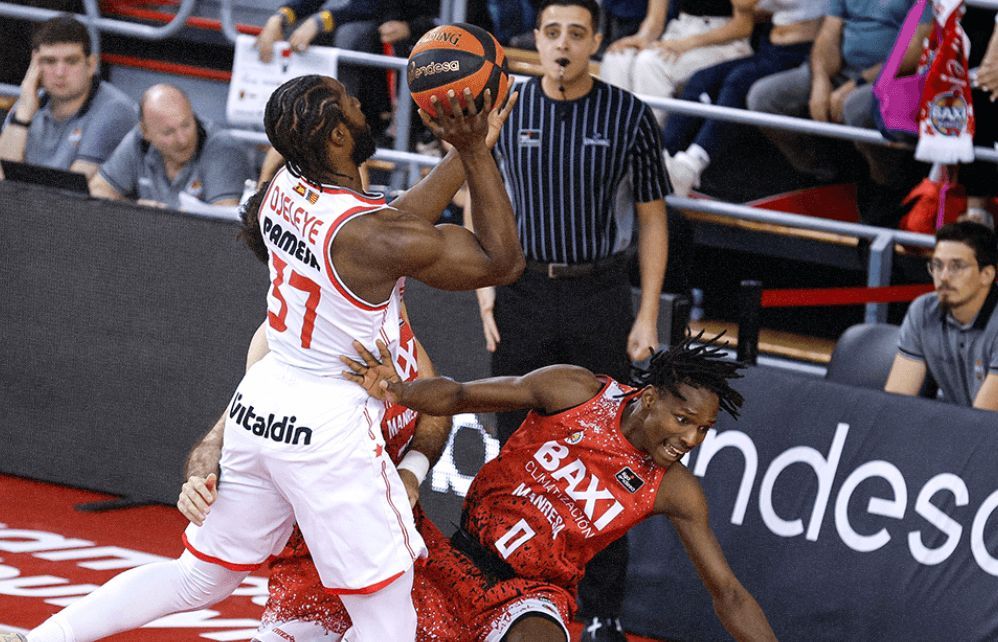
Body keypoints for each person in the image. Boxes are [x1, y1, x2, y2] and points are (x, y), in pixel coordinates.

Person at [20, 73, 523, 642]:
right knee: (388, 615)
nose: (363, 107)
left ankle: (43, 638)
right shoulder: (372, 237)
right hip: (330, 425)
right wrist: (476, 152)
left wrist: (461, 152)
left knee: (197, 578)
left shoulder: (281, 188)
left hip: (262, 407)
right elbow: (501, 263)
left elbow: (394, 225)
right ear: (337, 137)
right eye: (351, 105)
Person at [338, 332, 777, 641]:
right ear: (648, 399)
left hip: (531, 594)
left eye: (703, 429)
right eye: (683, 420)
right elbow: (458, 396)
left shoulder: (675, 489)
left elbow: (729, 594)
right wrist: (398, 391)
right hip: (457, 555)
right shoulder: (576, 391)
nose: (691, 439)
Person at [477, 1, 670, 635]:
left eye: (577, 33)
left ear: (597, 42)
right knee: (514, 455)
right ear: (536, 39)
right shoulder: (507, 107)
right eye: (553, 32)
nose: (563, 44)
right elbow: (479, 191)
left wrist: (646, 312)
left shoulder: (629, 115)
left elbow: (652, 218)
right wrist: (485, 289)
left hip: (600, 296)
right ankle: (506, 598)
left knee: (607, 458)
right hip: (522, 291)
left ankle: (602, 613)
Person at [745, 0, 932, 226]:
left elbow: (914, 50)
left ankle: (887, 183)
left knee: (855, 107)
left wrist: (857, 83)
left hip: (893, 77)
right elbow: (828, 33)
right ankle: (823, 173)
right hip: (843, 71)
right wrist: (821, 80)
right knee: (763, 98)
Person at [663, 0, 823, 196]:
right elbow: (754, 12)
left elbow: (744, 4)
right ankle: (662, 155)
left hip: (800, 53)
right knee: (701, 80)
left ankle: (693, 163)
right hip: (770, 48)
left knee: (738, 81)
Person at [0, 15, 136, 180]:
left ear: (91, 65)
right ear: (35, 65)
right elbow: (3, 177)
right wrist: (22, 116)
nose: (60, 73)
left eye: (71, 61)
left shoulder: (115, 111)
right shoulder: (27, 104)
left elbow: (73, 188)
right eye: (50, 61)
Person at [885, 220, 998, 410]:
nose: (943, 276)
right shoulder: (923, 310)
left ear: (986, 275)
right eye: (937, 265)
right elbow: (895, 403)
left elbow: (983, 420)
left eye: (957, 266)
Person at [88, 84, 253, 209]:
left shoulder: (223, 149)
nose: (182, 139)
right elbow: (98, 190)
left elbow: (224, 221)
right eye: (168, 132)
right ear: (145, 132)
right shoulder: (138, 141)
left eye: (186, 125)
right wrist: (135, 208)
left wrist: (169, 219)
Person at [599, 0, 753, 127]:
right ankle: (615, 140)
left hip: (722, 41)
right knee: (617, 59)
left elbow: (743, 26)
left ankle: (652, 144)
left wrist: (687, 43)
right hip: (680, 29)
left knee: (651, 64)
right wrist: (643, 37)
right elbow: (655, 20)